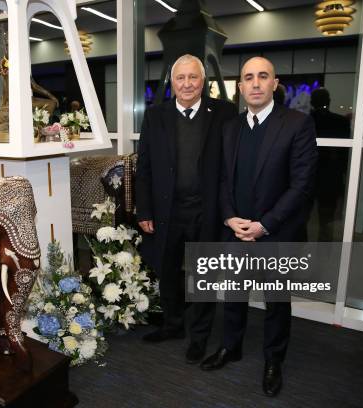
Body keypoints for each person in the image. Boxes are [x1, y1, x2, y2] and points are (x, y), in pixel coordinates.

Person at [200, 57, 317, 397]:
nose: (254, 83)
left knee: (276, 302)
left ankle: (273, 361)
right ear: (240, 87)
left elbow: (302, 185)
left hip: (276, 233)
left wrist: (265, 225)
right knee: (233, 294)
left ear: (274, 83)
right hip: (236, 229)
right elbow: (222, 179)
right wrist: (228, 216)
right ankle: (231, 347)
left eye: (262, 77)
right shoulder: (230, 128)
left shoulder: (297, 124)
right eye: (248, 77)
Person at [135, 54, 236, 363]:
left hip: (207, 212)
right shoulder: (156, 115)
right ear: (173, 82)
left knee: (201, 275)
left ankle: (200, 336)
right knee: (167, 270)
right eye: (181, 78)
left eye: (193, 77)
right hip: (167, 212)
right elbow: (146, 166)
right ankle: (173, 325)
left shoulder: (224, 112)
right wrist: (145, 211)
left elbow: (231, 166)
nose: (187, 83)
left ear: (202, 82)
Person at [310, 87, 350, 241]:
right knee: (327, 219)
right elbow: (344, 153)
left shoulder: (304, 120)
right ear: (329, 101)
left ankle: (298, 253)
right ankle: (324, 252)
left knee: (301, 217)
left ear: (312, 102)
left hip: (309, 175)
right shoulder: (341, 121)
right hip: (331, 175)